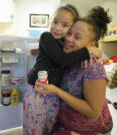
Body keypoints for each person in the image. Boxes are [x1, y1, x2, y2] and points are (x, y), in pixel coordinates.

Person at [23, 4, 101, 135]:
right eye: (55, 22)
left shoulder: (65, 44)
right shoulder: (46, 36)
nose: (57, 28)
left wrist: (93, 51)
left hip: (53, 93)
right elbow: (61, 59)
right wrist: (87, 51)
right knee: (34, 128)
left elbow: (84, 44)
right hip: (37, 90)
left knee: (50, 127)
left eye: (65, 26)